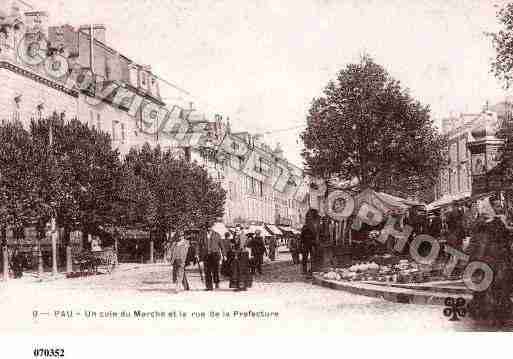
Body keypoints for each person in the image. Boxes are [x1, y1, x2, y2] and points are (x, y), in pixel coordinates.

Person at [467, 195, 513, 321]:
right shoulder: (496, 222)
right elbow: (504, 237)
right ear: (490, 207)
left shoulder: (480, 222)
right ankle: (497, 311)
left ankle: (486, 311)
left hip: (486, 258)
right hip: (495, 258)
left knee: (488, 285)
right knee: (498, 284)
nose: (499, 208)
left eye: (500, 205)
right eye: (497, 206)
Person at [229, 225, 252, 291]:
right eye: (235, 230)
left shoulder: (242, 236)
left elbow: (241, 247)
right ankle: (242, 286)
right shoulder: (237, 236)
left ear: (241, 230)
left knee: (240, 270)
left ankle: (241, 286)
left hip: (241, 255)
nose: (236, 231)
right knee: (240, 270)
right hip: (240, 254)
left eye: (237, 230)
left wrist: (236, 254)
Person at [300, 209, 319, 275]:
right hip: (307, 244)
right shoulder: (305, 227)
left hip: (311, 244)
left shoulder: (314, 226)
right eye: (308, 217)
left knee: (312, 257)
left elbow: (316, 235)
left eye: (310, 217)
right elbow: (302, 237)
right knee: (305, 258)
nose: (309, 219)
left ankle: (312, 269)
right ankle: (305, 270)